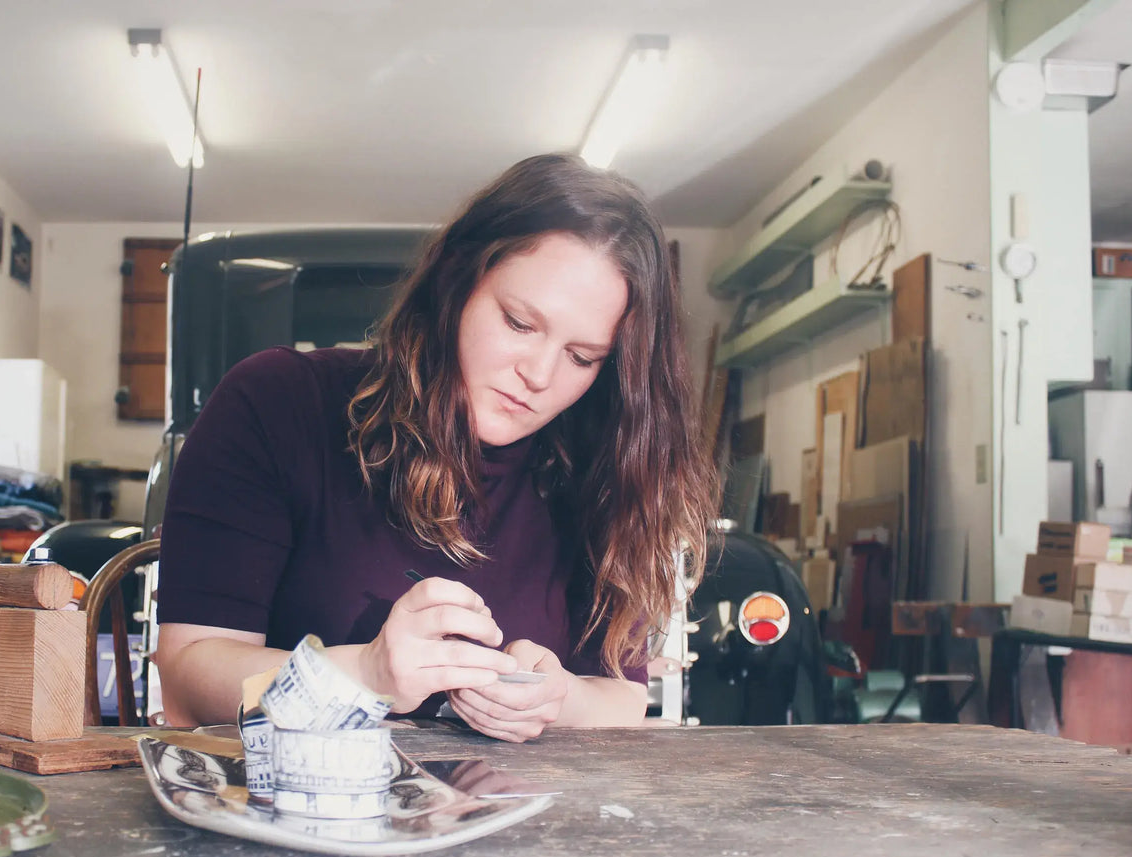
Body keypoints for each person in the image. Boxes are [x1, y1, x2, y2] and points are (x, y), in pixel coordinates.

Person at [154, 153, 716, 741]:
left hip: (519, 822)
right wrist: (364, 674)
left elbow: (623, 698)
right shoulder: (278, 404)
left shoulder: (604, 464)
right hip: (304, 814)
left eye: (583, 357)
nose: (541, 375)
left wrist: (558, 698)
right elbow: (189, 679)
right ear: (457, 279)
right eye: (520, 324)